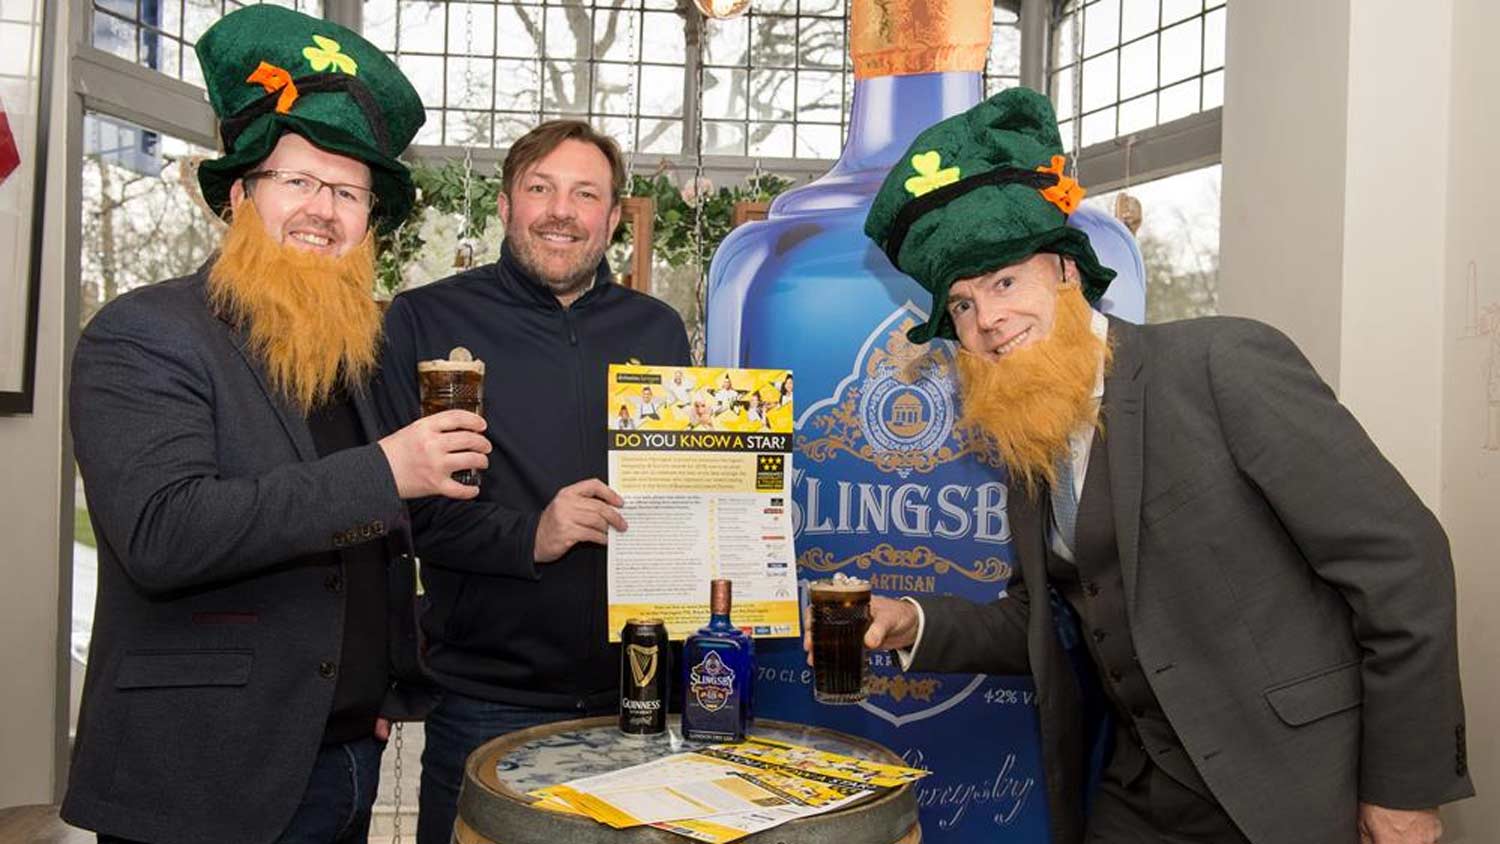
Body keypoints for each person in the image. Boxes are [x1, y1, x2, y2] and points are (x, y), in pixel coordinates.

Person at [839, 88, 1473, 844]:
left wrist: (1403, 791)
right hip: (1141, 792)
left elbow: (1403, 564)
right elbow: (1055, 622)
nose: (988, 321)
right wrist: (909, 621)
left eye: (1004, 283)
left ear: (1066, 275)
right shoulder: (1029, 439)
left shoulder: (1221, 363)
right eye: (965, 306)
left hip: (1293, 786)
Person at [62, 8, 491, 844]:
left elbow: (367, 550)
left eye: (348, 192)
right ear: (239, 197)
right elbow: (164, 532)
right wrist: (386, 469)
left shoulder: (353, 358)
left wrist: (378, 687)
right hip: (203, 778)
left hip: (342, 761)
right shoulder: (145, 332)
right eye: (297, 182)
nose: (322, 211)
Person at [372, 119, 691, 844]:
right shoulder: (427, 321)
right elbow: (400, 508)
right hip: (487, 699)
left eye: (585, 194)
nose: (561, 210)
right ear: (507, 205)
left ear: (612, 219)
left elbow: (686, 490)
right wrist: (534, 534)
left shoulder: (659, 331)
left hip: (635, 699)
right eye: (540, 188)